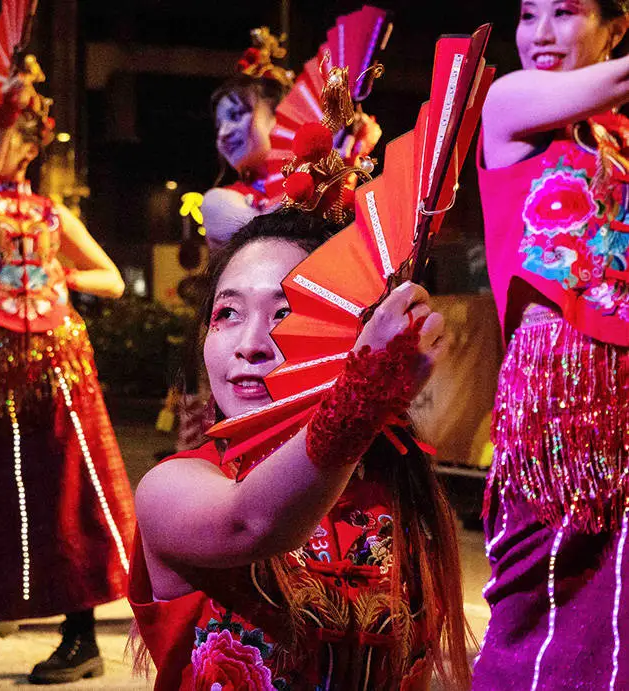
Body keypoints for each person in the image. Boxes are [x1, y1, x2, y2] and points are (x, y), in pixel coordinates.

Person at [130, 210, 471, 690]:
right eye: (227, 313)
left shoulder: (401, 490)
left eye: (286, 314)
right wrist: (363, 395)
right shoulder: (171, 487)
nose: (250, 344)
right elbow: (251, 521)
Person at [0, 65, 136, 683]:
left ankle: (80, 635)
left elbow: (112, 278)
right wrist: (3, 111)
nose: (12, 145)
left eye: (23, 135)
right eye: (3, 135)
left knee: (65, 494)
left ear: (35, 146)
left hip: (56, 362)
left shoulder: (51, 214)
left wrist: (62, 281)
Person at [474, 0, 629, 686]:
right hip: (552, 405)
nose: (538, 32)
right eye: (527, 13)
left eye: (564, 12)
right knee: (537, 601)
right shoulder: (509, 103)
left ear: (613, 27)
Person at [202, 28, 382, 249]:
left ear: (278, 115)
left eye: (236, 115)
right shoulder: (218, 202)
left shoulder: (336, 181)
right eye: (219, 125)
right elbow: (271, 236)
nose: (223, 133)